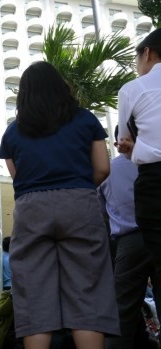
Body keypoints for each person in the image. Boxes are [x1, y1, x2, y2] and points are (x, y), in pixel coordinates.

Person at [0, 61, 119, 349]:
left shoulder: (13, 132)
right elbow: (102, 168)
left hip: (31, 209)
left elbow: (18, 178)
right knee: (87, 294)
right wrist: (75, 183)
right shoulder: (85, 119)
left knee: (35, 298)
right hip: (79, 203)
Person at [100, 126, 160, 349]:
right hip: (157, 236)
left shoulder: (108, 169)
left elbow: (100, 211)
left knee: (121, 309)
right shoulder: (154, 163)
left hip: (128, 241)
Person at [117, 28, 161, 322]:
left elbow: (124, 142)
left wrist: (135, 148)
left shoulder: (133, 89)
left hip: (155, 182)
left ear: (147, 53)